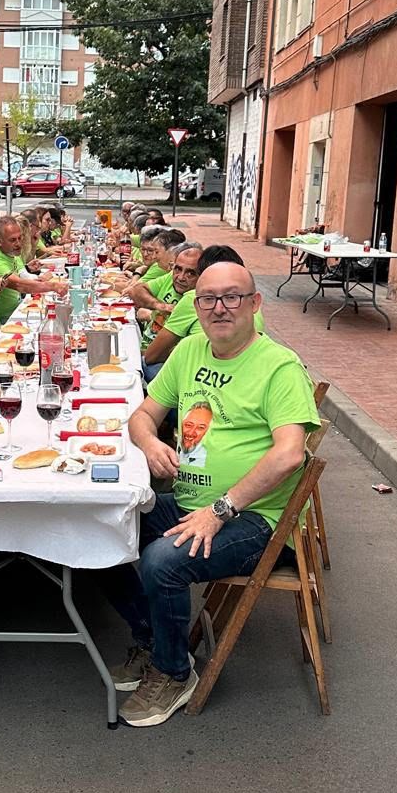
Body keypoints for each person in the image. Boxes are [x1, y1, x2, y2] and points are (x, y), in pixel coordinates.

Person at [110, 260, 319, 727]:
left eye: (232, 297)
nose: (219, 308)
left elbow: (289, 455)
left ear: (254, 304)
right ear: (196, 306)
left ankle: (173, 671)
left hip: (256, 520)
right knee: (100, 526)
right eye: (208, 299)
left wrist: (221, 510)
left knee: (163, 562)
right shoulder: (189, 352)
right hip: (189, 502)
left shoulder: (278, 367)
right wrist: (150, 443)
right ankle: (153, 639)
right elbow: (142, 415)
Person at [0, 216, 68, 325]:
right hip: (5, 318)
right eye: (13, 240)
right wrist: (53, 286)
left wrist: (28, 267)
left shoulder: (11, 251)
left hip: (18, 308)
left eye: (20, 238)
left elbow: (22, 275)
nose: (18, 243)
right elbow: (20, 285)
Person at [141, 241, 203, 377]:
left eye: (191, 273)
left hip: (182, 370)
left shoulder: (193, 299)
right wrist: (158, 306)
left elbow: (151, 357)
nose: (181, 277)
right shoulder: (171, 277)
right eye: (177, 269)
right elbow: (136, 290)